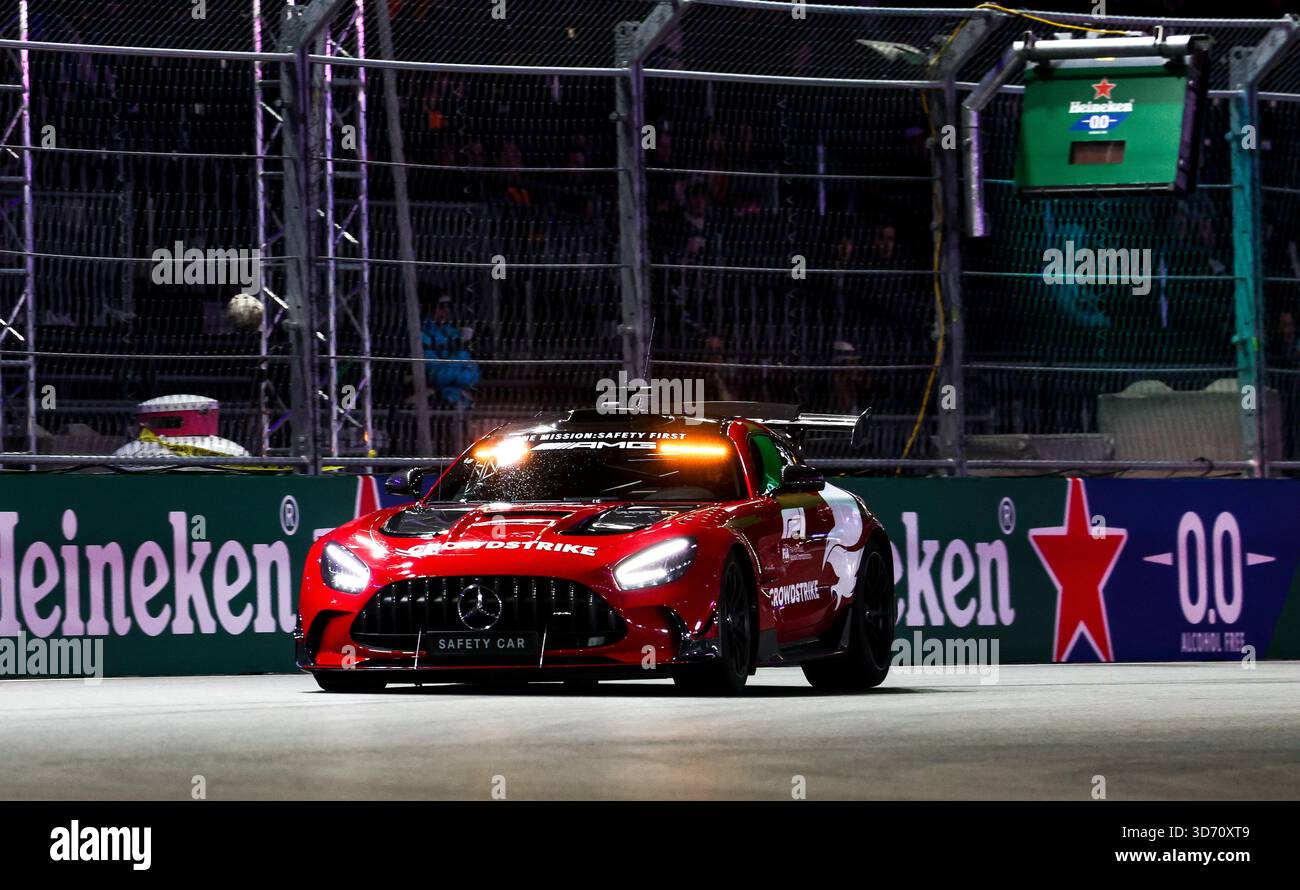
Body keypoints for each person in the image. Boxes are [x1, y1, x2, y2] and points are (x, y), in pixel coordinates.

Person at [421, 292, 480, 408]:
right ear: (430, 308)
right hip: (438, 395)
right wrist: (461, 350)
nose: (446, 311)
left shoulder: (453, 333)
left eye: (449, 307)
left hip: (451, 391)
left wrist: (462, 345)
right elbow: (436, 376)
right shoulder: (422, 335)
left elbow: (472, 374)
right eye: (442, 306)